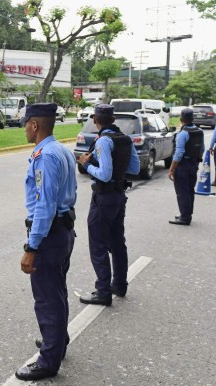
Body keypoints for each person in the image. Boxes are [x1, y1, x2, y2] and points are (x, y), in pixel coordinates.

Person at [15, 103, 77, 382]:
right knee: (57, 292)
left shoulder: (45, 156)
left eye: (25, 123)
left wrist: (32, 247)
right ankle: (57, 342)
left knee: (48, 299)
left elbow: (45, 206)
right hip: (63, 232)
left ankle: (48, 361)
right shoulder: (62, 149)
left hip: (50, 236)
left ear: (35, 125)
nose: (24, 128)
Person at [76, 104, 140, 306]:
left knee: (98, 245)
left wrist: (87, 164)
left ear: (95, 119)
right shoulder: (125, 139)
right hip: (119, 196)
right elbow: (135, 168)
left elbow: (104, 174)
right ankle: (119, 285)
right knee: (117, 243)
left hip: (104, 198)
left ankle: (103, 291)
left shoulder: (103, 141)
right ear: (113, 120)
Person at [168, 108, 204, 225]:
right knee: (189, 190)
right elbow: (201, 148)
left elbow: (179, 153)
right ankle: (187, 214)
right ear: (193, 119)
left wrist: (172, 169)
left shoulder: (183, 134)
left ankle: (185, 217)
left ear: (181, 119)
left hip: (183, 166)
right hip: (193, 164)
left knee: (182, 192)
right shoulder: (199, 131)